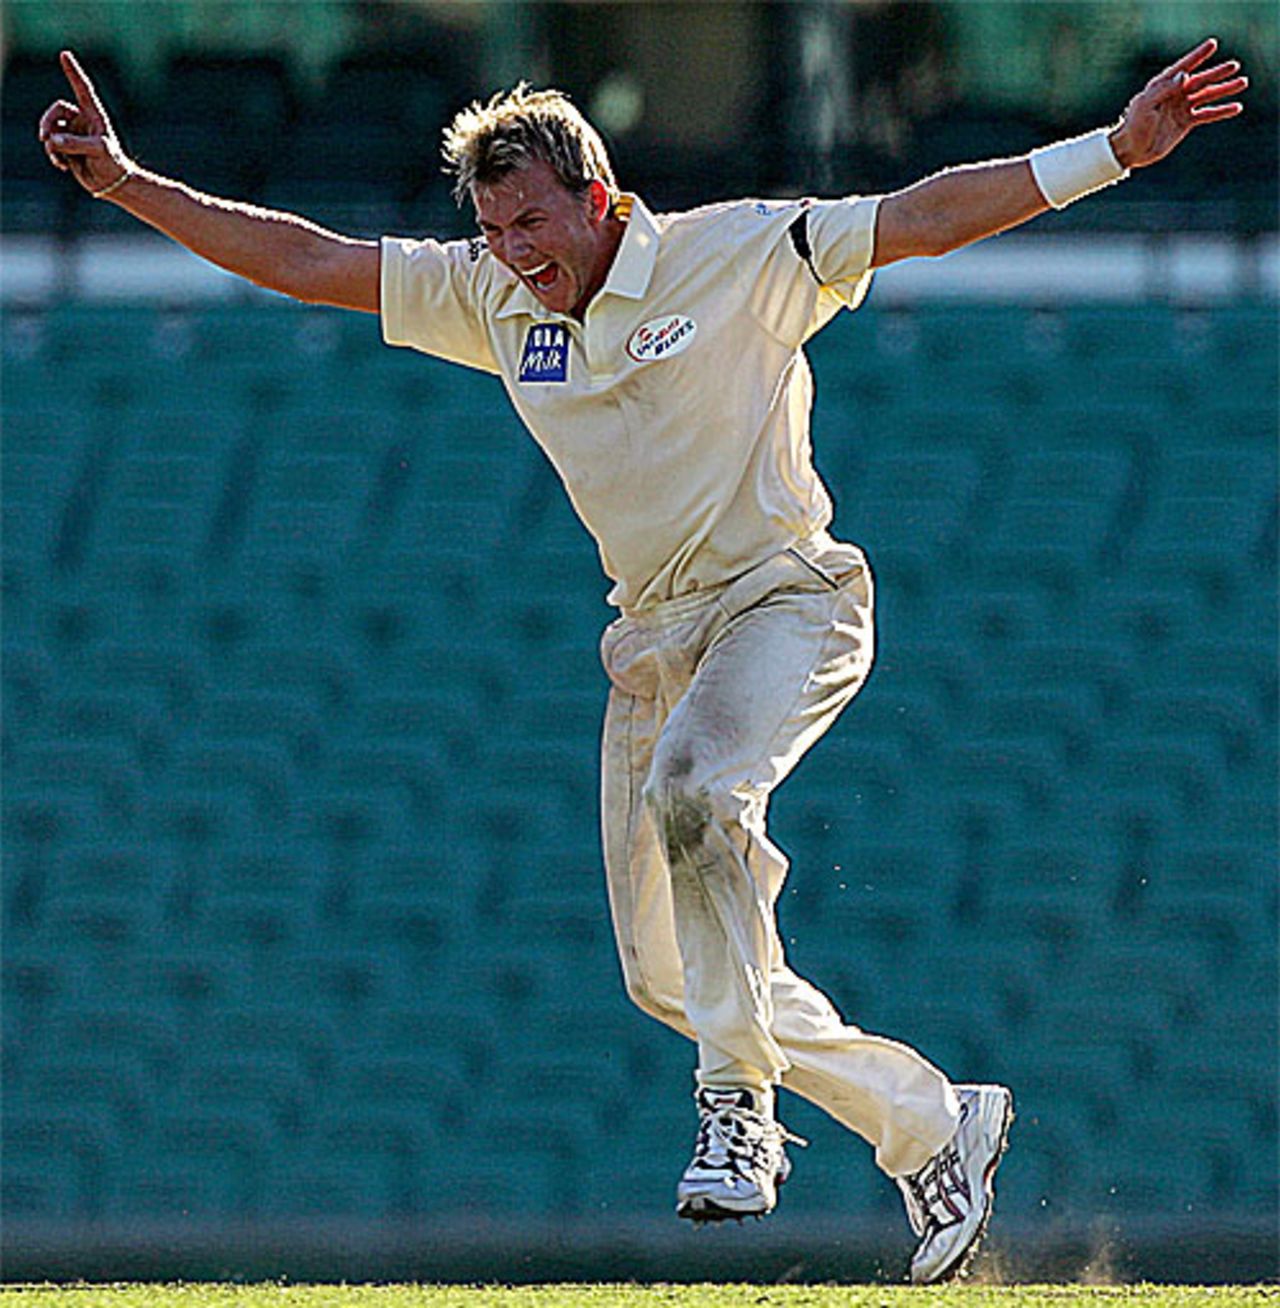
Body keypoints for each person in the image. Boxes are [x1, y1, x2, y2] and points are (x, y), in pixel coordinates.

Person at [40, 38, 1247, 1283]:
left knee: (695, 797)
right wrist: (129, 184)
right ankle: (932, 1124)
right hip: (654, 643)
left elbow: (924, 216)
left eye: (530, 222)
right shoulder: (490, 296)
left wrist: (1110, 150)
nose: (514, 252)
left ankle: (739, 1117)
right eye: (493, 228)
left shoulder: (738, 253)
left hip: (787, 600)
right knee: (673, 976)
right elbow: (303, 258)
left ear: (599, 194)